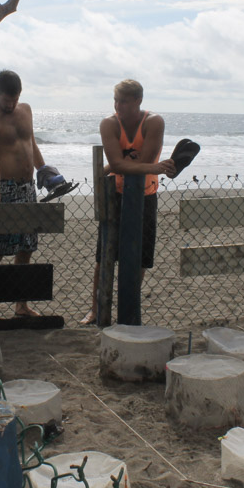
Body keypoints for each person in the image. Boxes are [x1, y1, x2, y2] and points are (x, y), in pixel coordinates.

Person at [82, 79, 175, 324]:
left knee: (141, 256)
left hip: (146, 194)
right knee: (105, 254)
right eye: (115, 100)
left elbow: (140, 165)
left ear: (138, 101)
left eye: (123, 101)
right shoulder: (109, 124)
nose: (118, 105)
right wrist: (150, 166)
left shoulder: (154, 122)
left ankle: (128, 303)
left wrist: (132, 166)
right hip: (116, 193)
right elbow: (126, 163)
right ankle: (96, 309)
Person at [0, 70, 50, 317]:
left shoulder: (26, 110)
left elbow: (31, 142)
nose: (10, 104)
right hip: (6, 189)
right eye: (6, 100)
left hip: (28, 187)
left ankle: (21, 305)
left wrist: (44, 170)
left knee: (27, 247)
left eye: (14, 99)